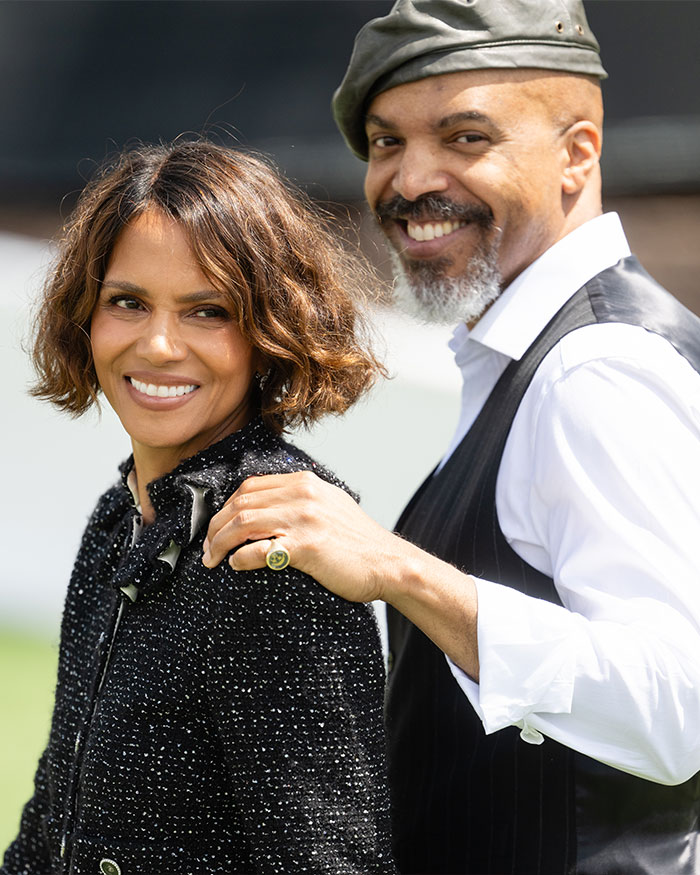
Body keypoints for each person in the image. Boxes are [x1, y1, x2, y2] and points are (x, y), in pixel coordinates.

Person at [201, 1, 700, 873]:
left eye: (465, 138)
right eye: (387, 141)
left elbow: (675, 713)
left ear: (576, 153)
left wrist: (397, 568)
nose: (408, 178)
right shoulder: (536, 358)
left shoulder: (596, 372)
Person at [2, 141, 397, 875]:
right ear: (86, 313)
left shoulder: (275, 546)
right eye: (128, 301)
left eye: (207, 310)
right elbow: (55, 819)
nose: (157, 343)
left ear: (270, 330)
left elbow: (331, 862)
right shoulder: (117, 520)